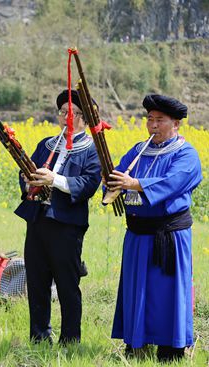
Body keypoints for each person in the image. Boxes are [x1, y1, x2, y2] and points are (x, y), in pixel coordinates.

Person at [107, 94, 202, 362]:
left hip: (169, 235)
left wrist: (134, 184)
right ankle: (136, 344)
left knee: (167, 291)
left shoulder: (186, 154)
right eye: (150, 120)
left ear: (176, 124)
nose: (153, 126)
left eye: (160, 120)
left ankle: (170, 348)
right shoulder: (137, 151)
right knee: (137, 289)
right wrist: (112, 183)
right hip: (137, 235)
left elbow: (174, 181)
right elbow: (117, 176)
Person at [15, 89, 101, 344]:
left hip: (67, 225)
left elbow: (89, 184)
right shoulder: (45, 145)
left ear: (86, 119)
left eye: (75, 114)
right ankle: (39, 338)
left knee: (67, 285)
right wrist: (28, 180)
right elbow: (27, 173)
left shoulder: (92, 150)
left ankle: (70, 340)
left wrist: (56, 180)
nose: (68, 118)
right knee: (37, 282)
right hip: (38, 220)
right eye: (64, 112)